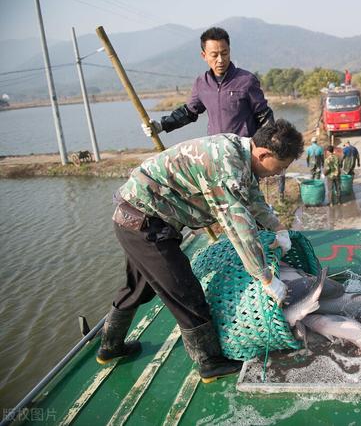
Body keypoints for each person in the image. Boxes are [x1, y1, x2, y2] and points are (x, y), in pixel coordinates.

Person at [98, 119, 304, 384]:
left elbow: (252, 198)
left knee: (139, 287)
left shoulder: (239, 151)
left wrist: (278, 227)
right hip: (144, 223)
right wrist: (265, 278)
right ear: (264, 154)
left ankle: (110, 347)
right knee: (186, 292)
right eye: (282, 166)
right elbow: (239, 229)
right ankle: (209, 362)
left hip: (139, 218)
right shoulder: (225, 167)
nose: (279, 173)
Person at [141, 27, 274, 138]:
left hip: (245, 153)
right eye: (215, 55)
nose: (221, 60)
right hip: (215, 153)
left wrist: (266, 150)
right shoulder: (201, 83)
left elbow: (264, 117)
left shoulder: (246, 80)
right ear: (204, 56)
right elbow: (189, 112)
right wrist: (161, 125)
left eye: (224, 53)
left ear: (229, 51)